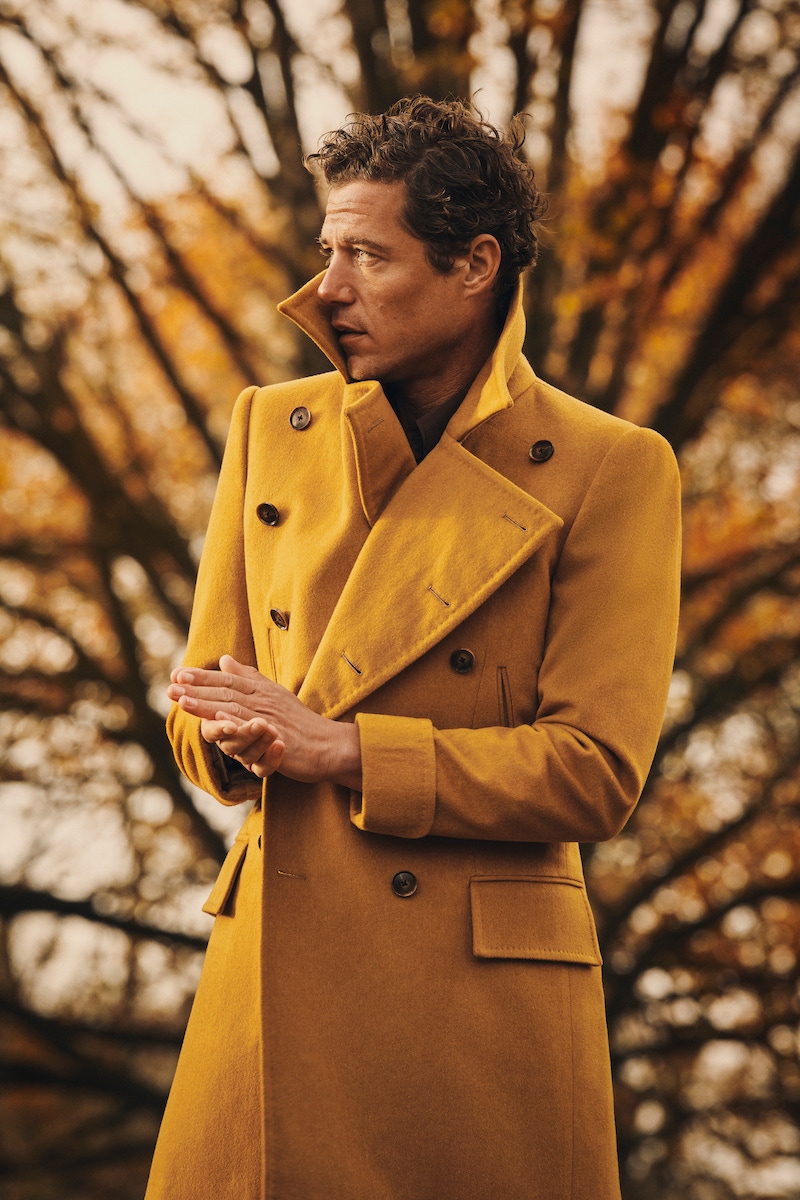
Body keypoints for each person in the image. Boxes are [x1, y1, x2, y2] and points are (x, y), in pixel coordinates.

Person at [144, 96, 681, 1200]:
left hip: (476, 1012)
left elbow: (594, 772)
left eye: (365, 256)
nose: (324, 289)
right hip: (271, 978)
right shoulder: (269, 427)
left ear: (473, 264)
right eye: (324, 249)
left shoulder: (608, 465)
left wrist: (346, 752)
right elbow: (199, 706)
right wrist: (229, 740)